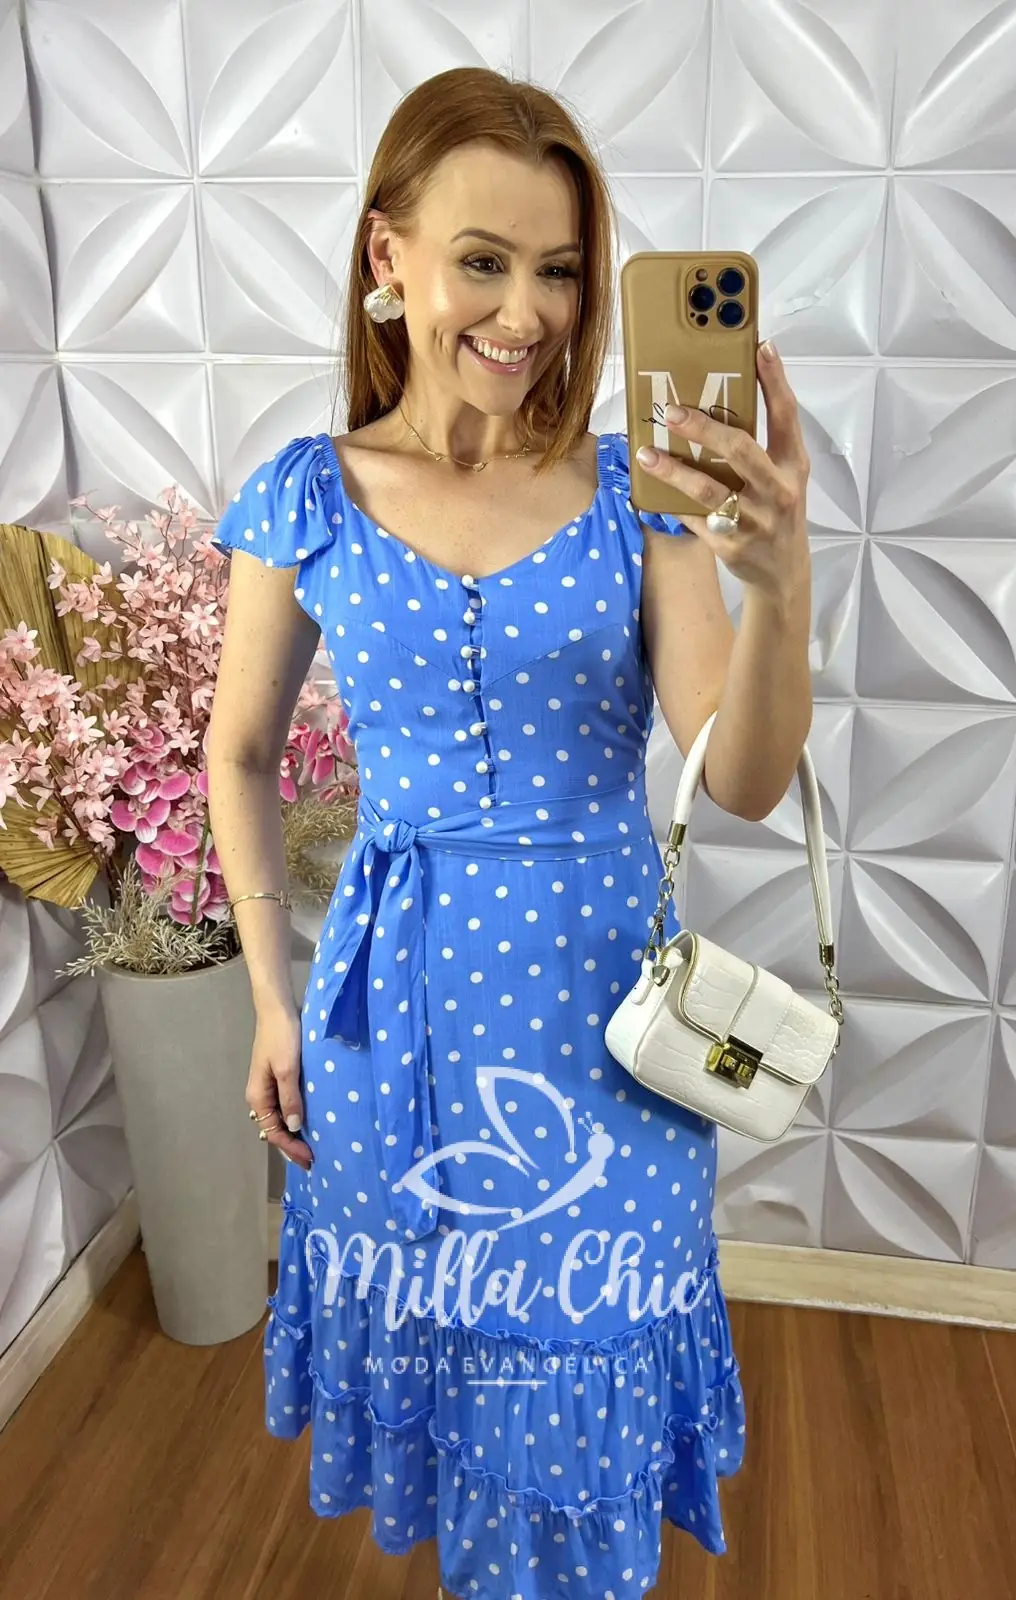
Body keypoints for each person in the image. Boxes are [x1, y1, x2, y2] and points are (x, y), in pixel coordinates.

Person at [207, 62, 811, 1600]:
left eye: (559, 270)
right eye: (483, 260)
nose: (526, 313)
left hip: (608, 1019)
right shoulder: (308, 496)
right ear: (387, 255)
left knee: (583, 1362)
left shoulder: (637, 496)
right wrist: (272, 999)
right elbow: (241, 752)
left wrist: (782, 579)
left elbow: (740, 780)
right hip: (388, 1019)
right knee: (450, 1356)